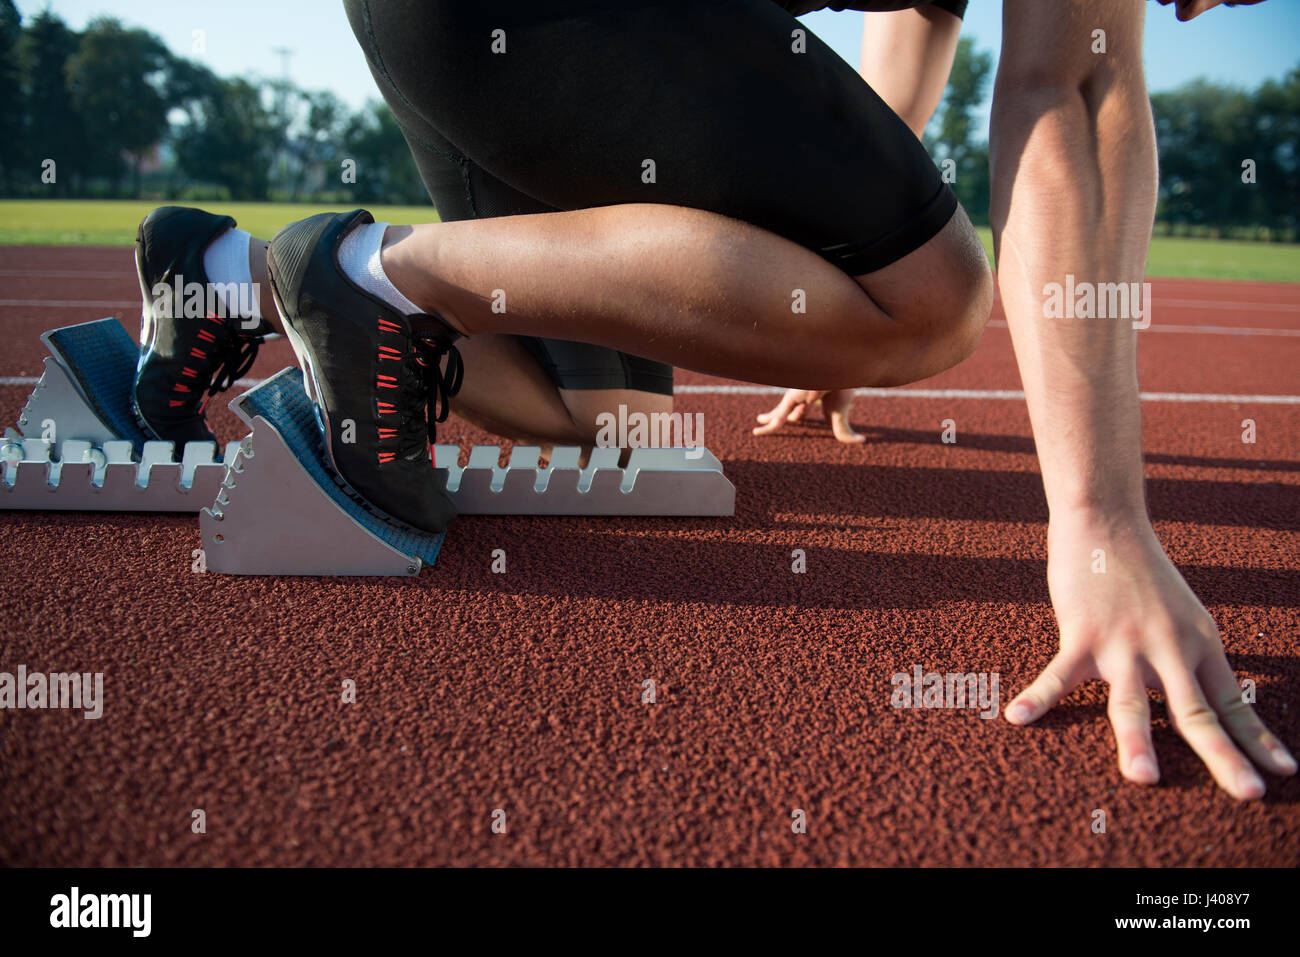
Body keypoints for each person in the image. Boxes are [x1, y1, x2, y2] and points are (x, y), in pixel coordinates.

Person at [130, 0, 1292, 801]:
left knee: (611, 434)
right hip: (543, 24)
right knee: (937, 306)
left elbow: (887, 104)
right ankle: (362, 277)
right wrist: (1099, 525)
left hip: (456, 35)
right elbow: (1078, 82)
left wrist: (831, 298)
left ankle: (227, 280)